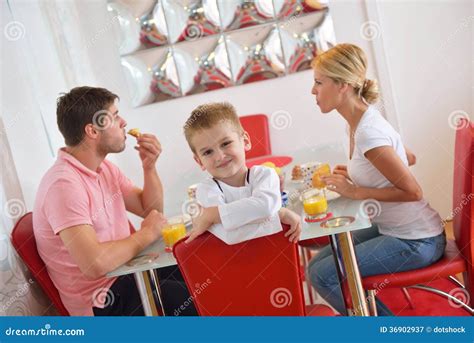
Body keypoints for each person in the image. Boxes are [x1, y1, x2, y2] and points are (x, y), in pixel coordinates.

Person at [307, 44, 446, 315]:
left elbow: (413, 192)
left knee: (324, 275)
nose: (313, 91)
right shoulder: (358, 120)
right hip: (397, 230)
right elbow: (410, 157)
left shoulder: (368, 132)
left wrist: (357, 190)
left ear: (343, 85)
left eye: (318, 82)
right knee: (315, 268)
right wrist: (358, 173)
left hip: (417, 241)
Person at [33, 86, 195, 316]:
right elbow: (94, 265)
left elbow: (150, 210)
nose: (124, 122)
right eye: (115, 116)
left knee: (201, 270)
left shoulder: (104, 168)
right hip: (103, 300)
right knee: (195, 300)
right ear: (92, 131)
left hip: (128, 272)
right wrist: (146, 234)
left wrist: (149, 167)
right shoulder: (63, 185)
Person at [182, 102, 301, 244]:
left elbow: (265, 206)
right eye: (208, 152)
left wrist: (214, 214)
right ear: (200, 161)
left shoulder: (266, 175)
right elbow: (231, 237)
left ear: (245, 141)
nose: (220, 156)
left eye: (225, 143)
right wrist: (278, 215)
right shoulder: (205, 190)